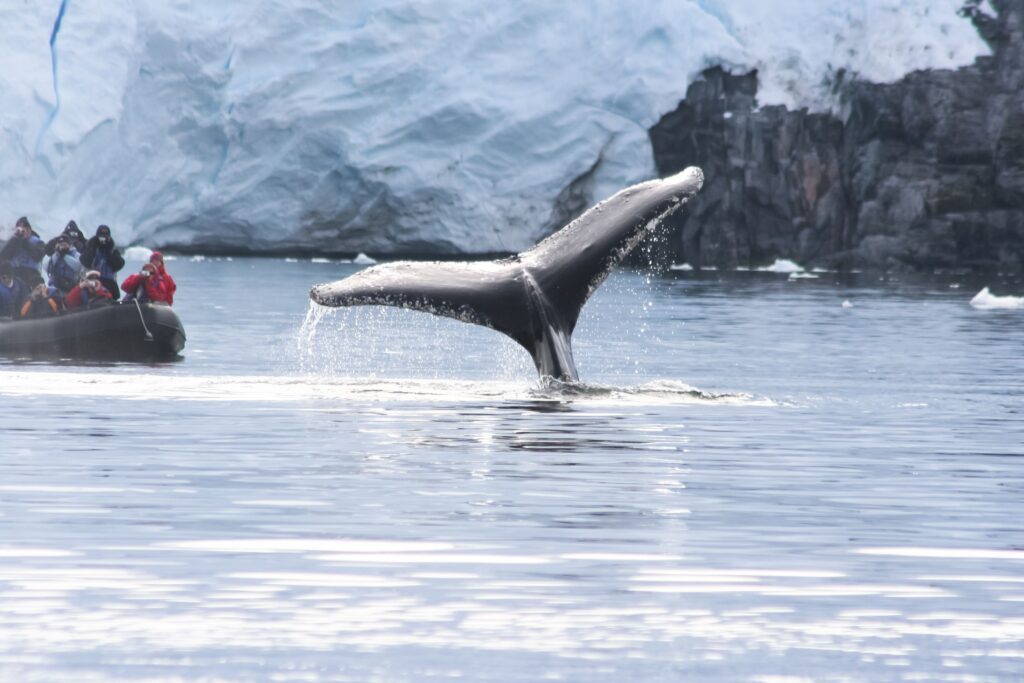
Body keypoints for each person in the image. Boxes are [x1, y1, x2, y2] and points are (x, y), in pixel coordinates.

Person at [80, 224, 125, 296]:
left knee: (113, 296)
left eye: (106, 237)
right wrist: (92, 249)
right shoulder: (90, 247)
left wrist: (109, 252)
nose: (103, 239)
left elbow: (119, 264)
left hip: (109, 282)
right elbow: (85, 262)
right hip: (92, 281)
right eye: (101, 237)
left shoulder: (112, 249)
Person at [0, 217, 45, 287]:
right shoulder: (12, 241)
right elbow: (3, 256)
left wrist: (25, 242)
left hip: (31, 274)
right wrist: (15, 240)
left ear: (30, 230)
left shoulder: (37, 242)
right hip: (13, 273)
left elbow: (38, 256)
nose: (23, 231)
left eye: (26, 229)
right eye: (20, 229)